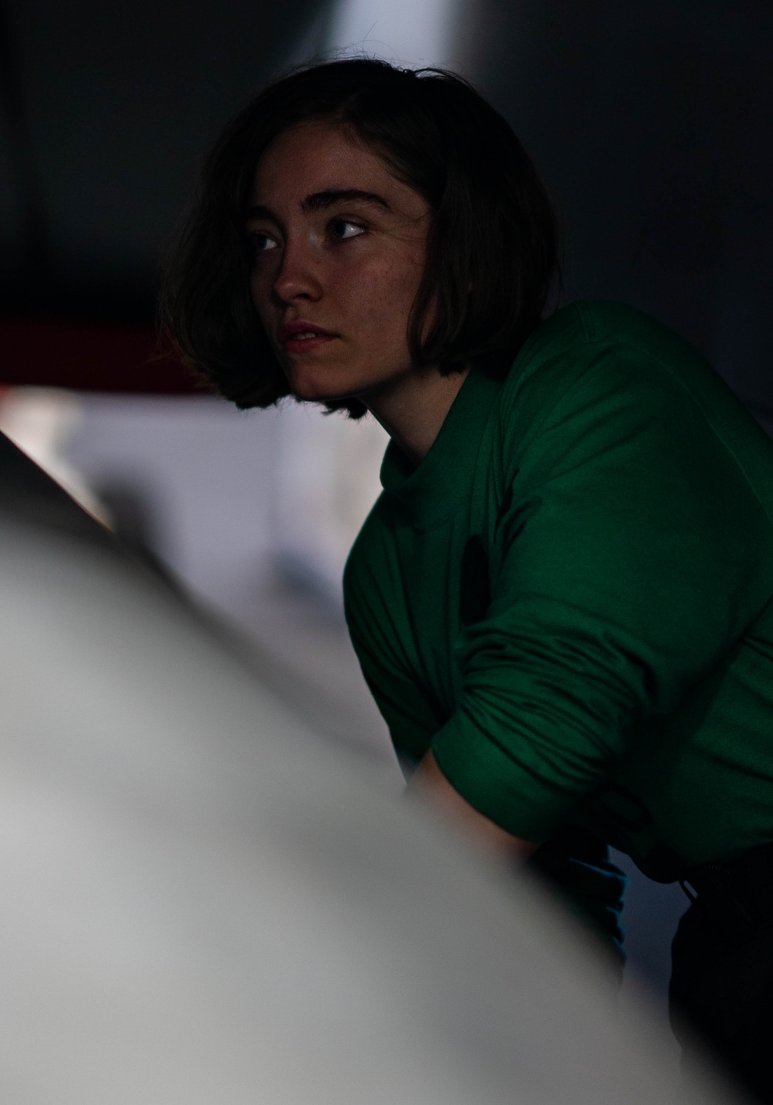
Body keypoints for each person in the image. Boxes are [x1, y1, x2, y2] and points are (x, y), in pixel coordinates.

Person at [160, 58, 773, 1100]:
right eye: (265, 238)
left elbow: (545, 718)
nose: (289, 279)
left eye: (343, 227)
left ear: (467, 239)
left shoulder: (600, 383)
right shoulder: (388, 570)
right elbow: (531, 888)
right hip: (737, 940)